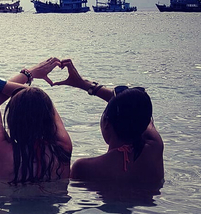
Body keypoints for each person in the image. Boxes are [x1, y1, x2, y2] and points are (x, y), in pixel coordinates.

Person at [52, 59, 164, 188]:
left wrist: (83, 84)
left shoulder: (85, 168)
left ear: (106, 124)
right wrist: (86, 85)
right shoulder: (155, 148)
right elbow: (138, 109)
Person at [0, 58, 72, 184]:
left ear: (11, 119)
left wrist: (28, 74)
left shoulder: (0, 149)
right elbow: (44, 101)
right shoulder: (63, 148)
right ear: (49, 118)